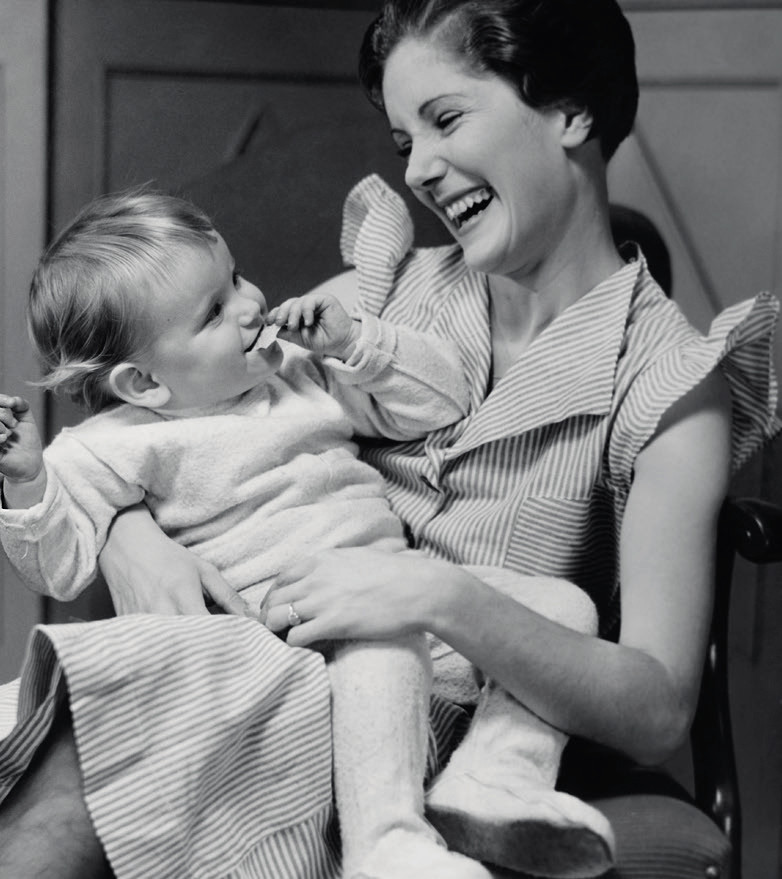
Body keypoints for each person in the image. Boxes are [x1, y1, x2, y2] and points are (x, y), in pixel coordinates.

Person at [0, 0, 779, 877]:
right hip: (279, 652)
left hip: (432, 714)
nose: (417, 171)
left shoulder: (671, 380)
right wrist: (128, 533)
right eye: (406, 140)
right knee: (87, 751)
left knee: (84, 772)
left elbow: (659, 707)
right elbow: (176, 416)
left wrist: (433, 595)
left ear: (571, 110)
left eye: (446, 119)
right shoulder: (379, 292)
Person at [0, 184, 615, 879]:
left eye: (235, 278)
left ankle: (493, 779)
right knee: (380, 628)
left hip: (405, 591)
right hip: (288, 629)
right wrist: (28, 480)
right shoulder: (111, 444)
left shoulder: (298, 371)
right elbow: (59, 563)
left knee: (564, 607)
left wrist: (356, 343)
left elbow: (440, 405)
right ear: (143, 384)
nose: (249, 304)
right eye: (213, 312)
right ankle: (384, 843)